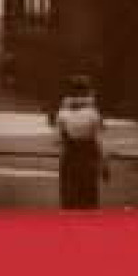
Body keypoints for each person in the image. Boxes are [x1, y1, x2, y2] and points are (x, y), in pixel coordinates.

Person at [52, 75, 105, 209]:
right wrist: (104, 163)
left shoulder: (63, 113)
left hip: (70, 156)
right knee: (88, 196)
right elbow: (100, 142)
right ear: (87, 91)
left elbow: (57, 140)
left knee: (69, 198)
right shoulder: (94, 113)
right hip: (88, 157)